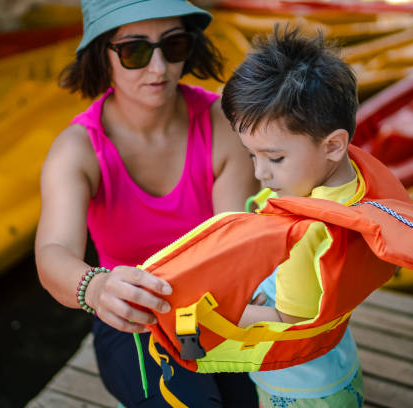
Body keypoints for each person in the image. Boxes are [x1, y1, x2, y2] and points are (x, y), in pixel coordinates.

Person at [34, 0, 259, 407]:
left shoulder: (221, 123)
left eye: (172, 46)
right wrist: (97, 287)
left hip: (217, 304)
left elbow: (232, 243)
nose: (159, 68)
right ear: (101, 56)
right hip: (131, 317)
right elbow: (53, 254)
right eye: (135, 51)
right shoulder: (76, 149)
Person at [220, 26, 370, 408]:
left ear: (333, 145)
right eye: (252, 155)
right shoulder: (345, 184)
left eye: (275, 158)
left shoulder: (306, 230)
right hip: (337, 367)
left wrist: (217, 309)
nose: (260, 174)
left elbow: (290, 320)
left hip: (301, 388)